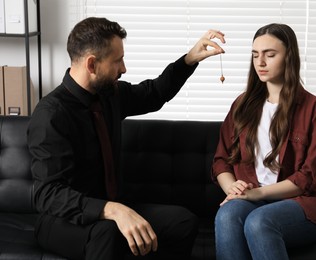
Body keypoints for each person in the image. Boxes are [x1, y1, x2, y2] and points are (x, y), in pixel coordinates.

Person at [27, 17, 225, 260]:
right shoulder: (51, 115)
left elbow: (154, 93)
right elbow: (48, 194)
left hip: (112, 208)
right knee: (108, 232)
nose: (124, 68)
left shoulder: (109, 95)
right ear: (92, 64)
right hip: (62, 221)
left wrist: (188, 60)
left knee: (182, 222)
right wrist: (111, 210)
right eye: (117, 60)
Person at [211, 23, 316, 260]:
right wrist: (232, 189)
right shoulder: (241, 105)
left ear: (289, 57)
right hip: (251, 199)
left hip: (300, 204)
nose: (260, 62)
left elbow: (308, 177)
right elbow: (221, 161)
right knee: (226, 214)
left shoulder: (314, 108)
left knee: (259, 221)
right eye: (255, 55)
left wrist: (258, 194)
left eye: (270, 54)